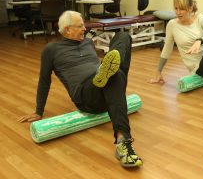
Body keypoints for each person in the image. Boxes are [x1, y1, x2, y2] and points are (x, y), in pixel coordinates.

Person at [18, 10, 143, 167]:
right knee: (114, 76)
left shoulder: (88, 42)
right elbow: (44, 80)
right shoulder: (51, 50)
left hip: (109, 89)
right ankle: (123, 142)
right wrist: (38, 111)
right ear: (67, 29)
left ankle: (106, 71)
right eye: (80, 26)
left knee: (123, 37)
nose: (85, 28)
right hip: (87, 96)